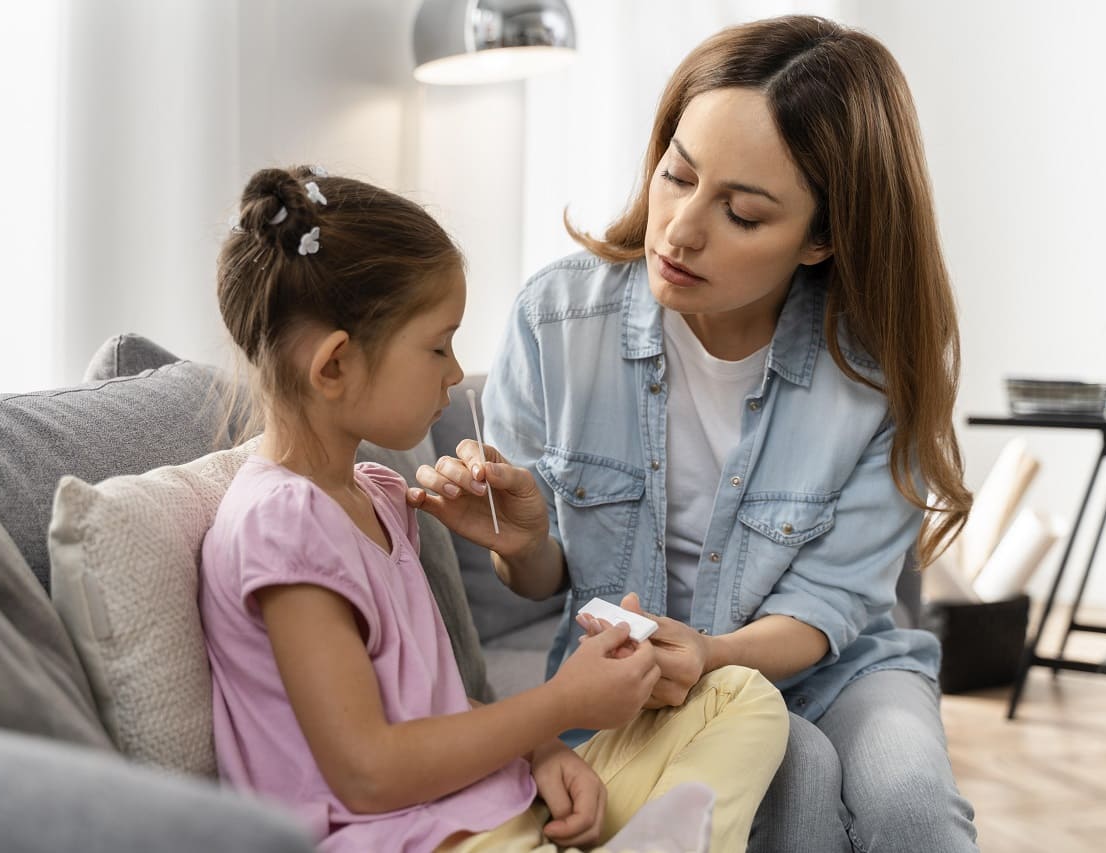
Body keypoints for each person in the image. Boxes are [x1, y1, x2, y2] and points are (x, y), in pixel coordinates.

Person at [411, 15, 980, 853]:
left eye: (742, 213)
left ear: (821, 238)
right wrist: (524, 539)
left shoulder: (877, 369)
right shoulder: (557, 320)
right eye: (677, 175)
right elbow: (542, 577)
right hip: (628, 679)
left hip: (836, 668)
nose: (679, 229)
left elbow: (831, 605)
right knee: (797, 776)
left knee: (912, 809)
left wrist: (711, 653)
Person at [197, 165, 790, 853]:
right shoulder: (284, 524)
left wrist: (540, 748)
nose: (455, 374)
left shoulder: (376, 494)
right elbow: (367, 772)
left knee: (738, 696)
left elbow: (426, 703)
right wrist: (561, 705)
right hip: (408, 840)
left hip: (484, 809)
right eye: (437, 346)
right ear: (334, 366)